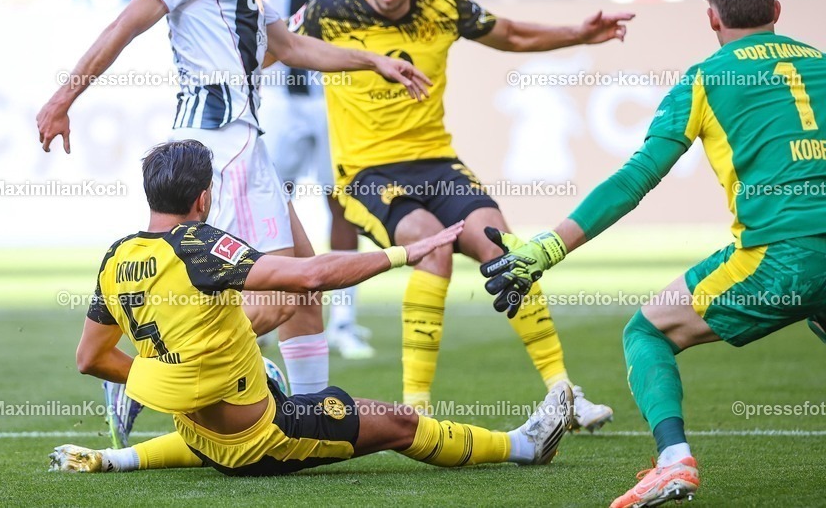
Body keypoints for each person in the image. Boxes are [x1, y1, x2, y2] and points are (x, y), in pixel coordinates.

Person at [35, 0, 429, 447]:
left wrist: (373, 61)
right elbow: (127, 23)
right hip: (224, 143)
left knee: (305, 284)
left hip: (243, 139)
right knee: (281, 290)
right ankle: (153, 374)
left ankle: (309, 413)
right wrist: (63, 98)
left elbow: (290, 48)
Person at [480, 0, 826, 507]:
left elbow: (635, 178)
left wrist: (549, 247)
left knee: (647, 332)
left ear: (712, 17)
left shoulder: (703, 80)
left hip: (778, 257)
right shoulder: (821, 64)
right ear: (778, 10)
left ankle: (673, 461)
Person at [47, 139, 574, 476]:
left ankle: (117, 456)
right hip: (265, 436)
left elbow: (90, 358)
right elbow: (311, 276)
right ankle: (523, 446)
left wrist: (163, 384)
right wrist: (403, 253)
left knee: (247, 374)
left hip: (198, 430)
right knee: (399, 423)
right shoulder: (201, 245)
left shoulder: (116, 257)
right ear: (204, 199)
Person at [294, 0, 631, 425]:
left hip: (437, 162)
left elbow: (511, 35)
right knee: (432, 248)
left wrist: (579, 34)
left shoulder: (442, 3)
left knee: (507, 249)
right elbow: (275, 46)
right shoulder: (329, 11)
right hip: (367, 174)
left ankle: (565, 393)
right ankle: (416, 414)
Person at [248, 0, 375, 359]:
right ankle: (255, 311)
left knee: (342, 200)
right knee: (266, 197)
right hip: (288, 93)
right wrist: (264, 44)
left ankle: (343, 320)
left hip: (346, 97)